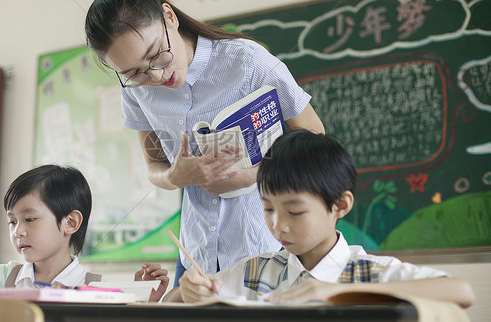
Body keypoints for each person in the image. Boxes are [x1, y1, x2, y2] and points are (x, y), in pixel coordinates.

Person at [85, 0, 325, 286]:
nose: (155, 77)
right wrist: (175, 176)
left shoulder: (246, 61)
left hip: (265, 251)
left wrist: (253, 175)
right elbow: (154, 166)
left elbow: (316, 139)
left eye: (157, 55)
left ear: (168, 16)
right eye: (135, 72)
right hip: (196, 258)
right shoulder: (137, 91)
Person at [163, 130, 475, 308]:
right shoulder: (257, 271)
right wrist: (186, 291)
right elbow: (177, 300)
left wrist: (338, 293)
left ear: (340, 205)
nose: (278, 225)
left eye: (295, 211)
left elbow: (462, 293)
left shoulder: (367, 272)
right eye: (268, 208)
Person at [0, 164, 169, 302]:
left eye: (29, 219)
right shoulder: (4, 277)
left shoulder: (97, 288)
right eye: (12, 222)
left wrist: (143, 299)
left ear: (70, 222)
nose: (18, 231)